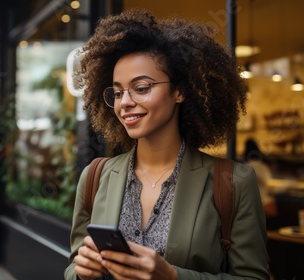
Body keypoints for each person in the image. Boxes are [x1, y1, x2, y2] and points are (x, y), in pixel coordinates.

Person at [65, 10, 269, 280]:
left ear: (180, 91)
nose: (124, 102)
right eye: (117, 92)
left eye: (141, 87)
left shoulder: (234, 183)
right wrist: (80, 272)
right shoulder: (95, 177)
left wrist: (173, 276)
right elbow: (72, 265)